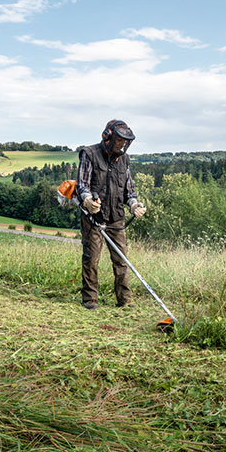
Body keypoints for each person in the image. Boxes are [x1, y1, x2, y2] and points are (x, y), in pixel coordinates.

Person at [76, 120, 146, 310]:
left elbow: (129, 191)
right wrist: (88, 200)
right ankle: (90, 299)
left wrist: (134, 205)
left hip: (116, 216)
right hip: (94, 217)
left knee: (121, 260)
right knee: (92, 258)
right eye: (119, 140)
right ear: (108, 137)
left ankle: (125, 299)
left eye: (125, 141)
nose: (122, 144)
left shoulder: (124, 159)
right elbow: (82, 185)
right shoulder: (89, 154)